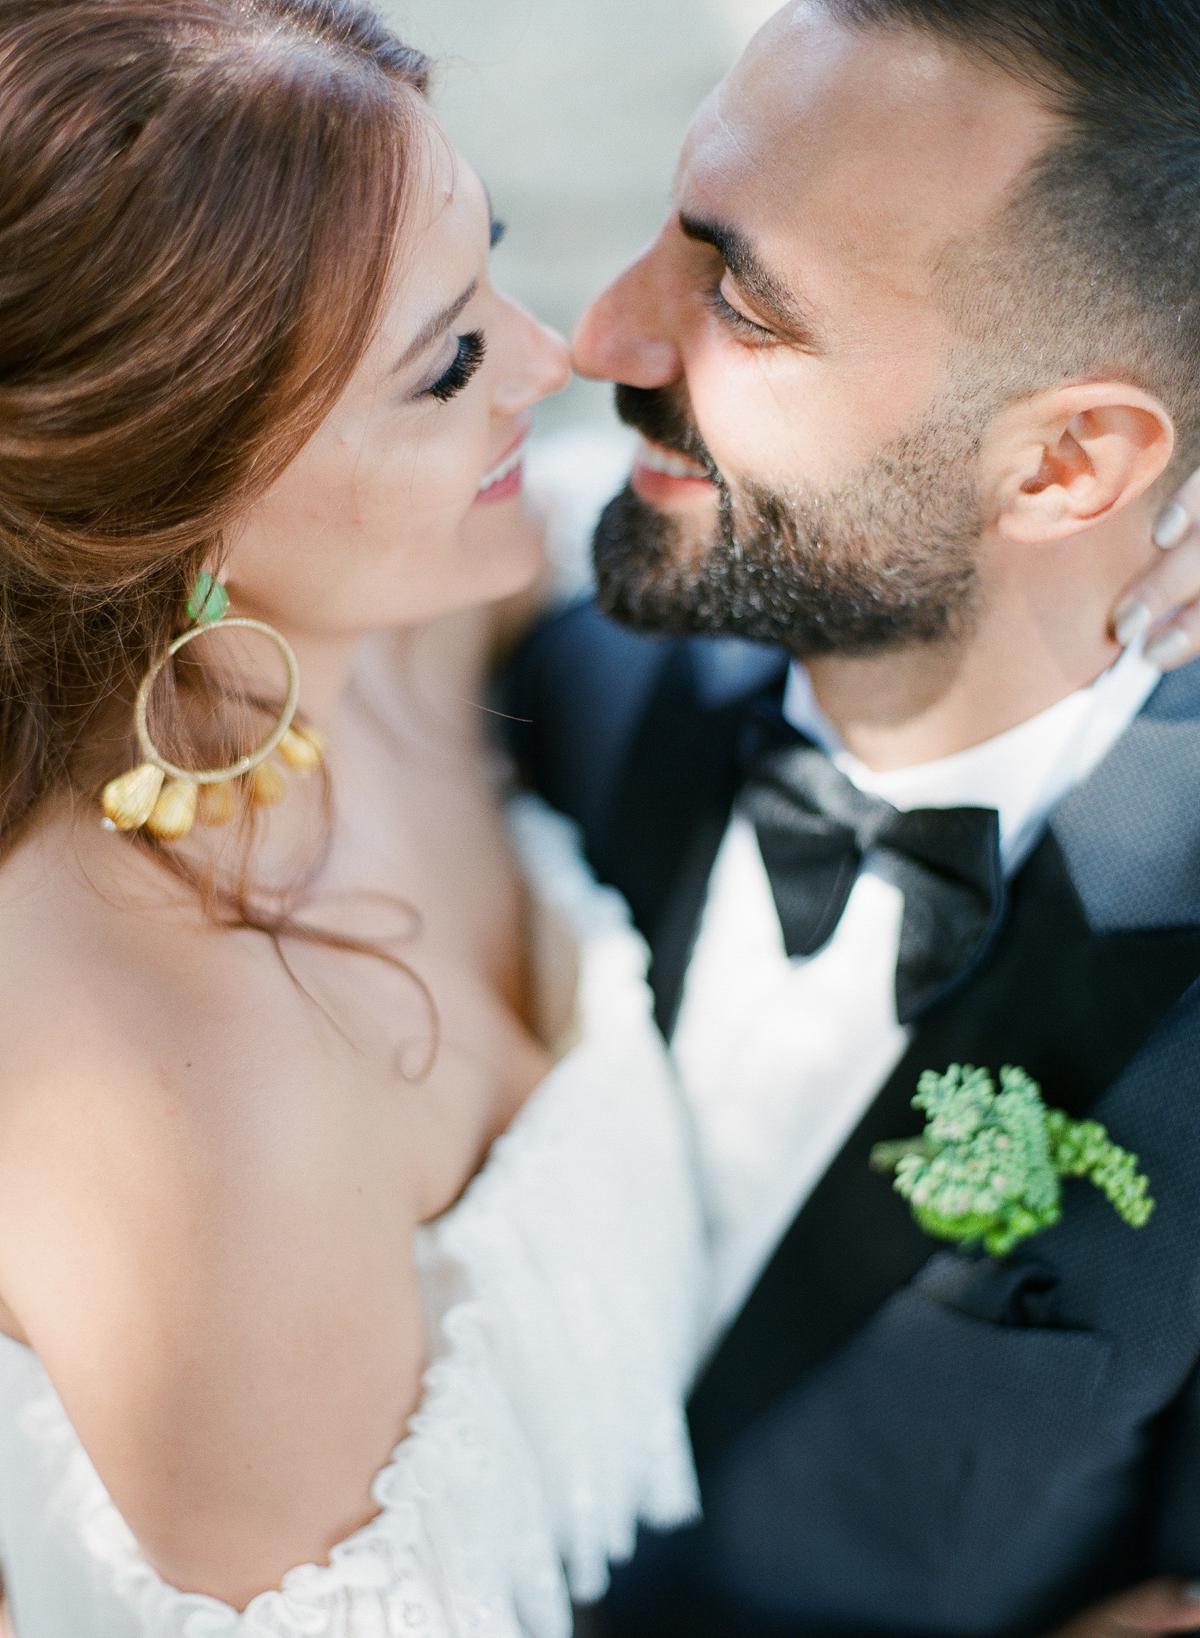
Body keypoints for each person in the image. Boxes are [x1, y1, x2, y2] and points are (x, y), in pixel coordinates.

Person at [0, 2, 709, 1634]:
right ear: (170, 498)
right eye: (451, 357)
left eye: (495, 263)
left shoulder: (389, 622)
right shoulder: (183, 1108)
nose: (555, 358)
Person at [502, 1, 1200, 1634]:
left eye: (743, 298)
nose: (600, 337)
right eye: (676, 235)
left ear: (1066, 462)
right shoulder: (545, 679)